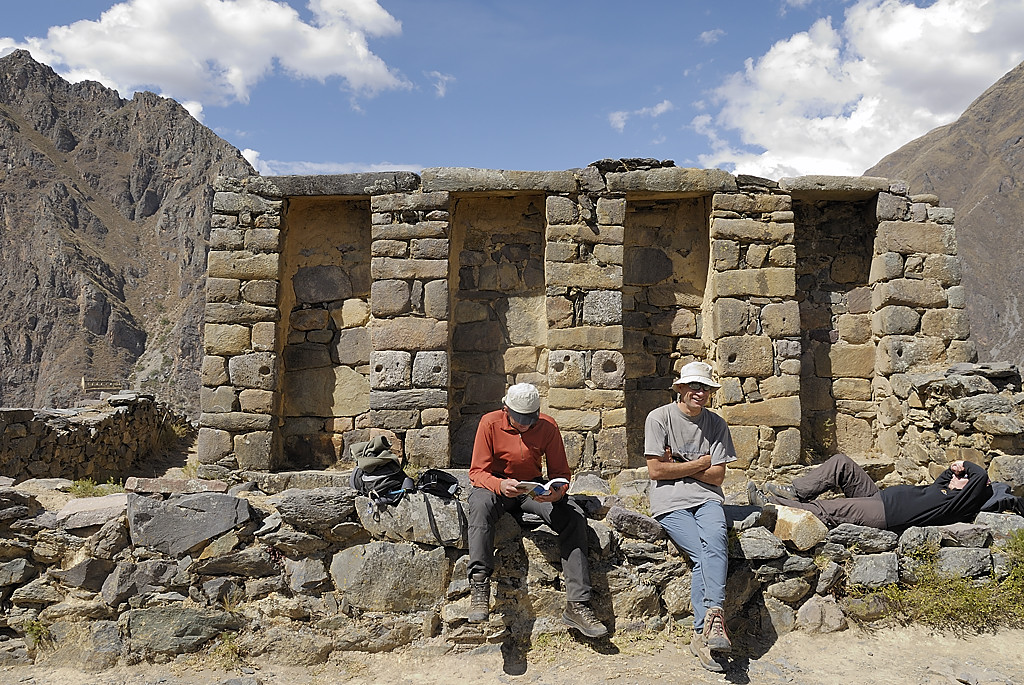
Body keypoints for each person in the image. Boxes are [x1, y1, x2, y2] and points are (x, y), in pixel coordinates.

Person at [467, 382, 607, 638]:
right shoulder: (489, 423)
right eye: (520, 419)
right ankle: (479, 584)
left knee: (572, 515)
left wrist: (557, 492)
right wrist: (500, 485)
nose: (525, 425)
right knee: (479, 505)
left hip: (532, 488)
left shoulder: (547, 426)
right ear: (506, 410)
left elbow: (561, 474)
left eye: (530, 419)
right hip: (496, 486)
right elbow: (477, 472)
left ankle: (578, 604)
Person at [644, 361, 737, 673]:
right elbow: (656, 470)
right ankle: (706, 630)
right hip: (669, 501)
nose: (701, 392)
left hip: (707, 498)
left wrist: (678, 465)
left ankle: (708, 625)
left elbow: (718, 477)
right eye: (695, 386)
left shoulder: (716, 424)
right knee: (701, 555)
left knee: (716, 542)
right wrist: (700, 463)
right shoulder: (659, 418)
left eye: (706, 388)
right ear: (681, 388)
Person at [747, 453, 993, 533]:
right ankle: (795, 493)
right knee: (842, 463)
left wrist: (965, 465)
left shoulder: (957, 504)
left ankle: (770, 506)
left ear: (971, 490)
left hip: (884, 515)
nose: (957, 477)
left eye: (963, 478)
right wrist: (954, 471)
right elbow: (947, 476)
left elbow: (980, 477)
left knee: (829, 509)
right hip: (878, 498)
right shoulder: (944, 490)